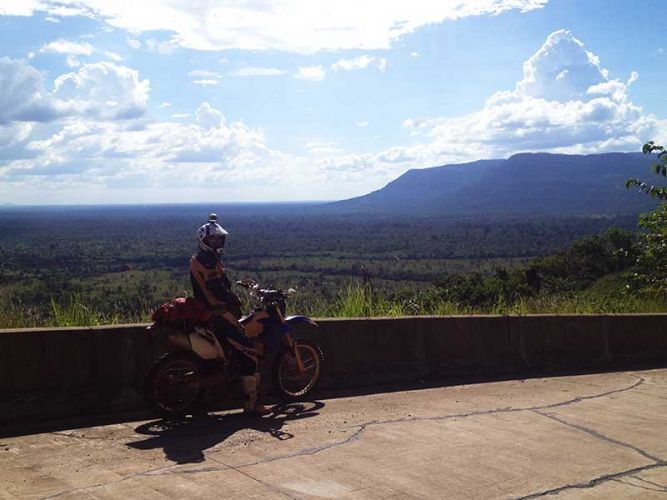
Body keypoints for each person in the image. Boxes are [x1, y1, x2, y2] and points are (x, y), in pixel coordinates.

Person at [190, 213, 270, 416]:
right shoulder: (207, 261)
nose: (216, 241)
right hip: (219, 314)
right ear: (204, 240)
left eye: (219, 238)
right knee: (249, 351)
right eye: (212, 239)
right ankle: (252, 403)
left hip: (209, 313)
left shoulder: (202, 258)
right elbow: (216, 287)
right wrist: (232, 299)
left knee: (233, 351)